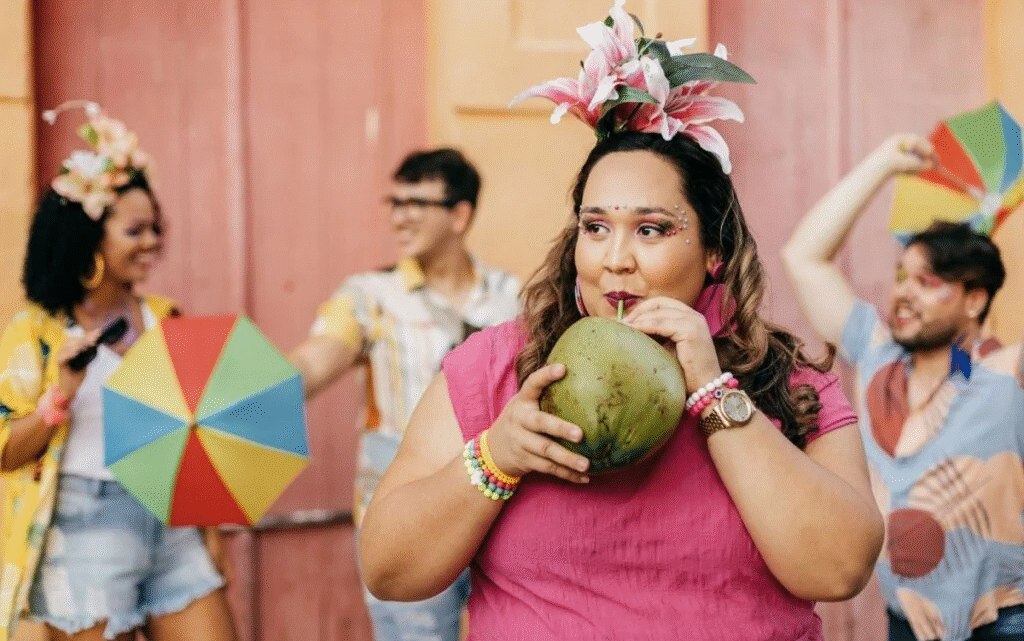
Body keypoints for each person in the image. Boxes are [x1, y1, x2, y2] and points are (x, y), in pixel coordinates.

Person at [358, 4, 884, 639]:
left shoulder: (787, 381)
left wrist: (717, 397)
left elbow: (838, 569)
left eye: (652, 230)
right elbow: (390, 572)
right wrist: (499, 455)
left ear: (713, 250)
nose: (615, 261)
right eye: (596, 227)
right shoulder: (501, 367)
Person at [0, 102, 236, 641]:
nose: (153, 243)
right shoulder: (35, 334)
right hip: (86, 527)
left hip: (172, 525)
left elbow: (192, 438)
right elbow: (6, 451)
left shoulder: (164, 317)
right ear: (92, 243)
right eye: (136, 231)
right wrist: (59, 396)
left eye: (156, 229)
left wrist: (210, 532)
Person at [782, 133, 1024, 641]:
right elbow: (804, 258)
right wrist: (882, 164)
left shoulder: (1007, 373)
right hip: (905, 624)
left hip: (1004, 623)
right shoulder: (878, 354)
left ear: (974, 301)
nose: (904, 294)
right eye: (901, 276)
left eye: (928, 282)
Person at [288, 148, 521, 641]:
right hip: (407, 519)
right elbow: (317, 359)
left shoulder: (512, 295)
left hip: (500, 508)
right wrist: (261, 392)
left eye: (416, 202)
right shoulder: (370, 293)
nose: (399, 216)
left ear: (459, 214)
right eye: (393, 202)